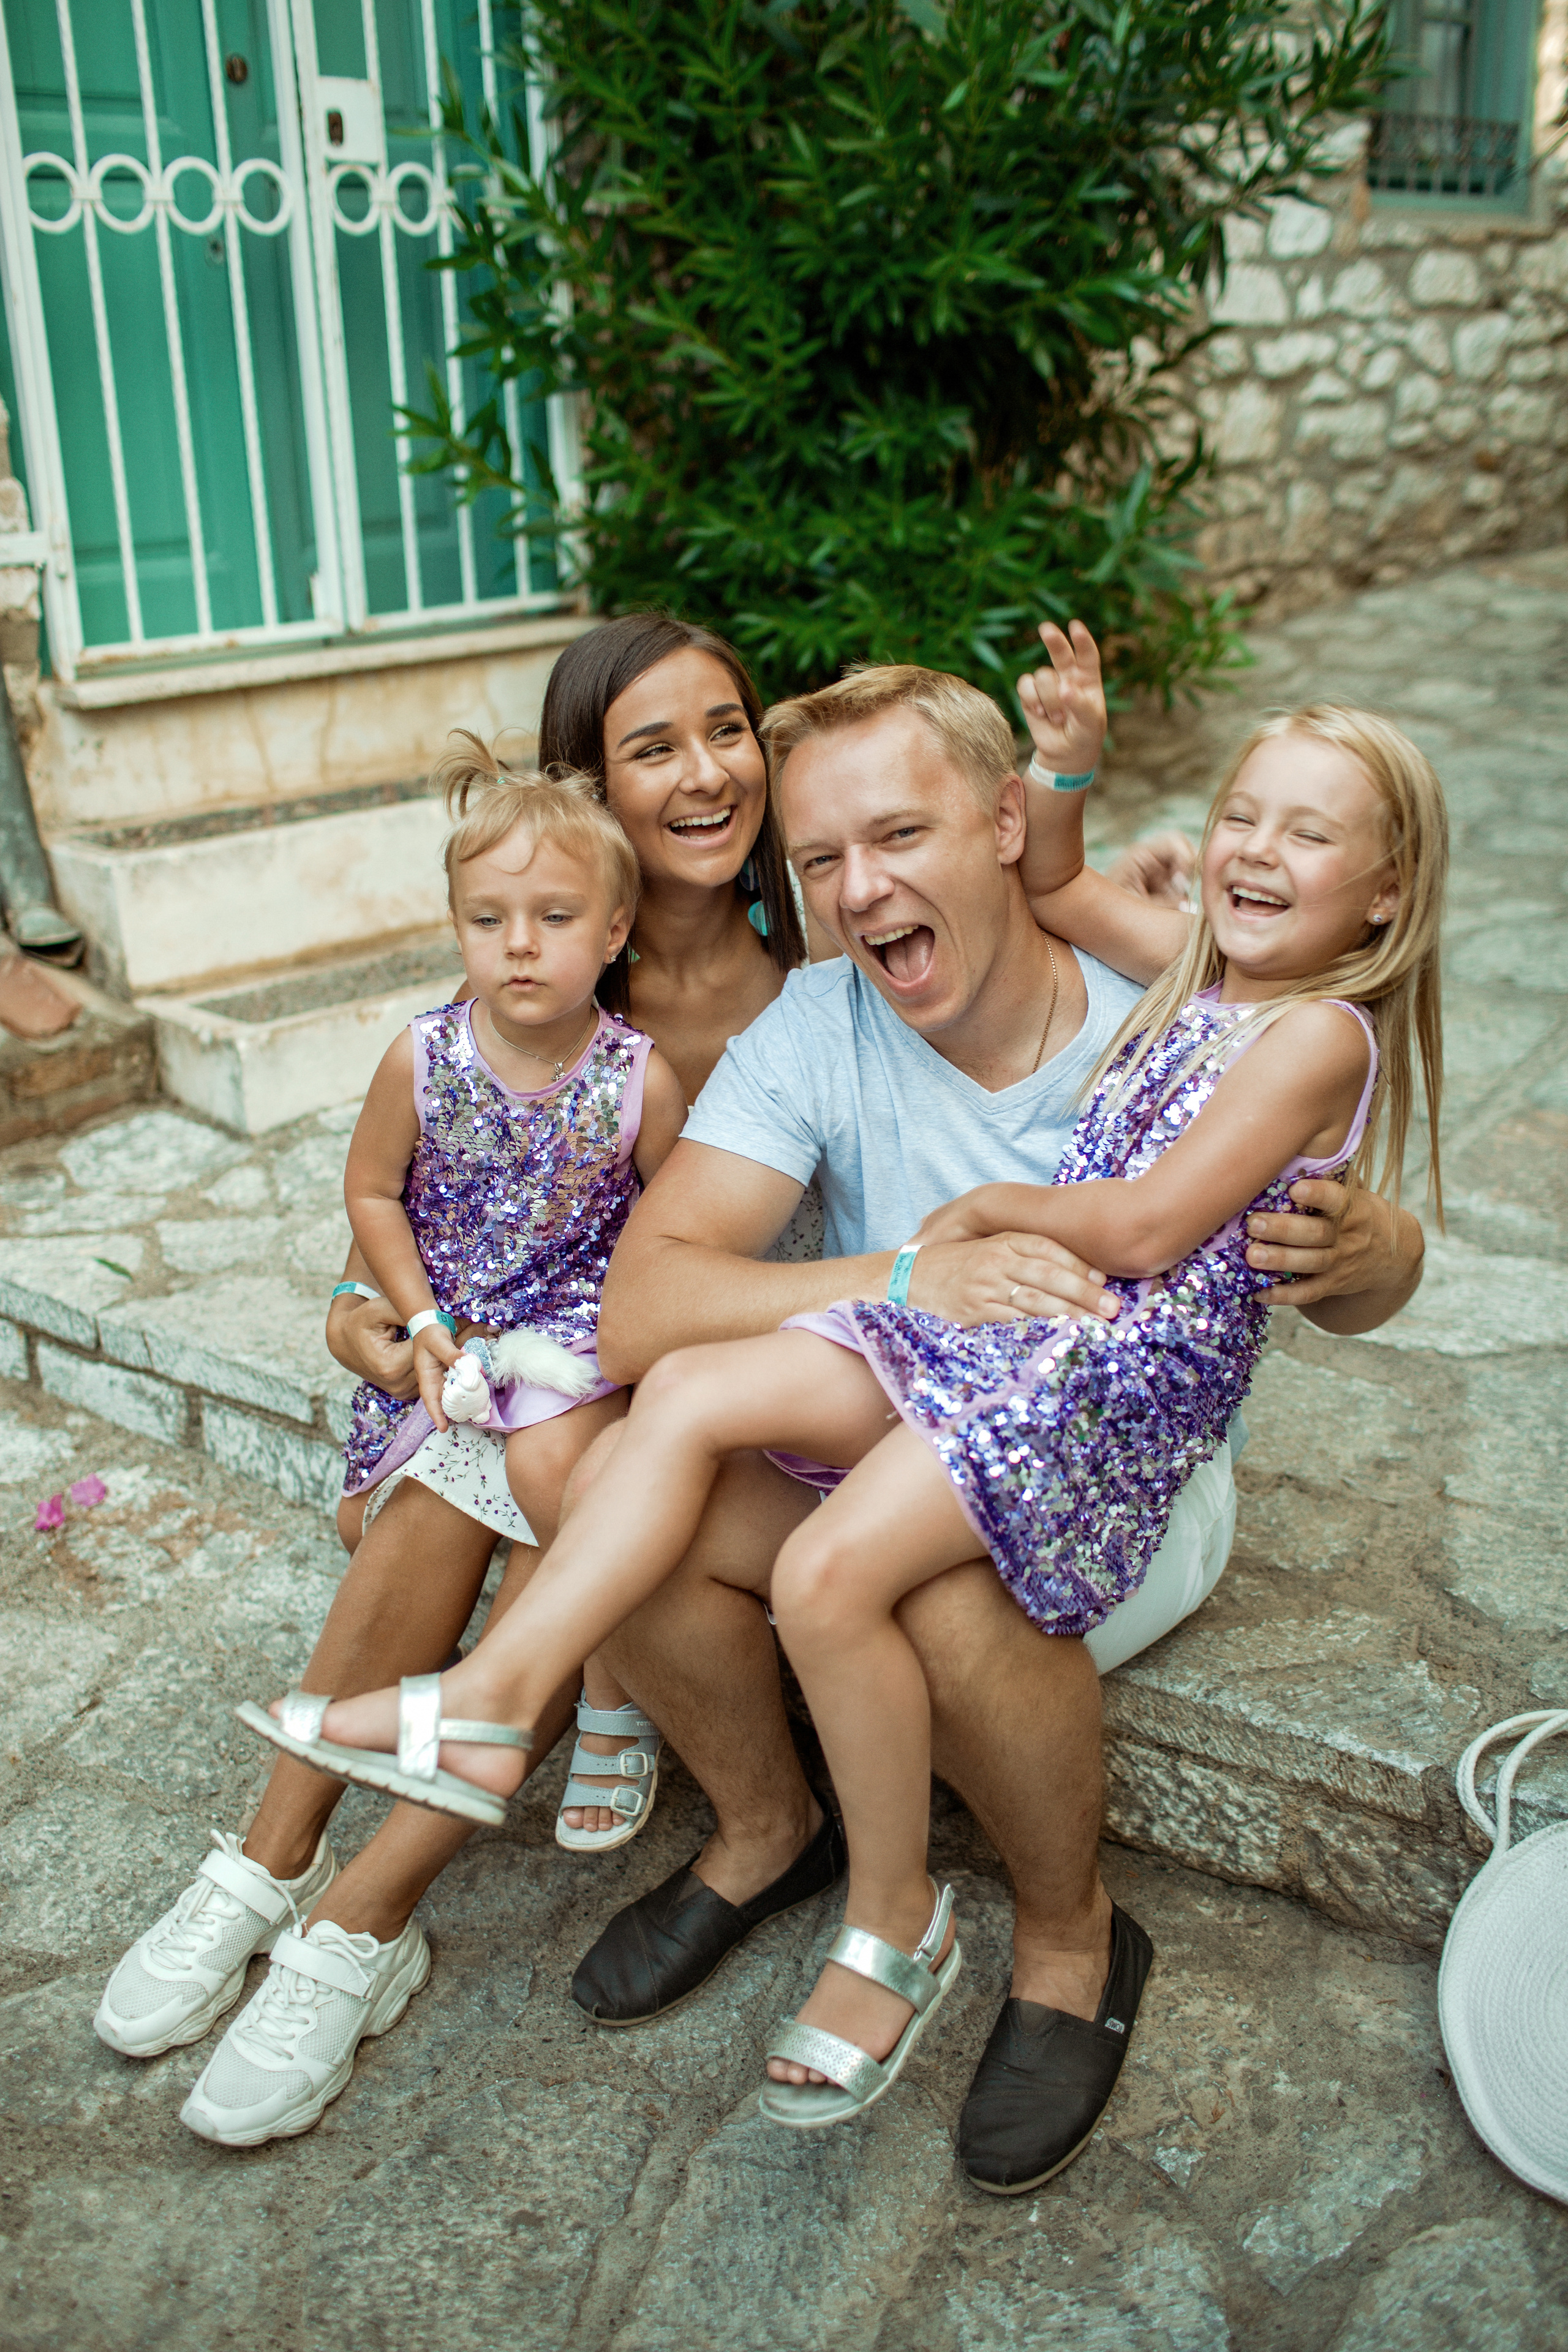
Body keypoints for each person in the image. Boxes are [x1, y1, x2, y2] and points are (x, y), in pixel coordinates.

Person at [238, 639, 1429, 2186]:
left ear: (1005, 821)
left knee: (922, 1573)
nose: (861, 891)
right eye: (822, 858)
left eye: (899, 837)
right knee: (599, 1449)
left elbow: (1333, 1240)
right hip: (903, 1401)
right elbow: (646, 1304)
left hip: (1111, 1464)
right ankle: (758, 1827)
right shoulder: (812, 1025)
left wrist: (1377, 1252)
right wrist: (921, 1268)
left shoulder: (1185, 984)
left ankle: (1066, 1943)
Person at [91, 615, 804, 2144]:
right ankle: (278, 1861)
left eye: (726, 728)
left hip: (731, 1388)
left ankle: (350, 1910)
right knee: (463, 1471)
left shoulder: (819, 973)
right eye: (650, 746)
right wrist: (373, 1321)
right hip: (544, 1380)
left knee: (530, 1472)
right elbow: (394, 1214)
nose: (703, 772)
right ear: (590, 796)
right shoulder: (502, 1025)